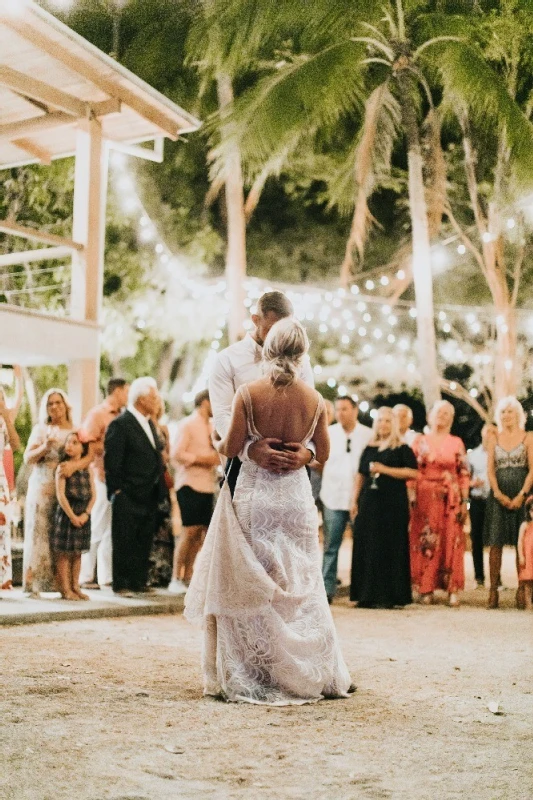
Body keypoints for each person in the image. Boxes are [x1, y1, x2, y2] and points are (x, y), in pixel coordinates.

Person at [185, 318, 353, 705]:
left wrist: (216, 434)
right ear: (302, 354)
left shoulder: (248, 393)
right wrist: (303, 454)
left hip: (256, 496)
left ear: (268, 350)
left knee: (254, 580)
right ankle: (305, 669)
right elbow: (323, 454)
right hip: (294, 499)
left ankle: (257, 669)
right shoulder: (314, 400)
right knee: (301, 581)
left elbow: (229, 447)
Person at [209, 290, 315, 496]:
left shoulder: (302, 363)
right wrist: (250, 450)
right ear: (256, 320)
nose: (279, 337)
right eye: (272, 329)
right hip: (245, 467)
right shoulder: (227, 359)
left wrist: (309, 453)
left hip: (293, 467)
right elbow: (222, 415)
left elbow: (311, 414)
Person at [350, 407, 418, 608]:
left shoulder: (402, 448)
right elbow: (361, 475)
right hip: (370, 502)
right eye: (380, 420)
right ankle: (366, 594)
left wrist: (384, 469)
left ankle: (391, 595)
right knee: (368, 544)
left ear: (394, 423)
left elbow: (413, 472)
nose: (383, 424)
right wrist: (353, 501)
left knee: (391, 546)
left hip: (393, 503)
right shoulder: (369, 447)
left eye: (388, 420)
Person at [104, 377, 165, 596]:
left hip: (149, 491)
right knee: (124, 538)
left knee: (143, 538)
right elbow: (112, 461)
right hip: (128, 492)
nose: (157, 401)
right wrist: (117, 489)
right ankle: (121, 583)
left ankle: (138, 580)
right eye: (154, 396)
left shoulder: (149, 423)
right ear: (140, 399)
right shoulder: (121, 424)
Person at [409, 400, 470, 607]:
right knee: (426, 541)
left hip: (450, 497)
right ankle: (426, 587)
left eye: (446, 414)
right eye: (438, 412)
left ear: (451, 419)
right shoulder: (420, 441)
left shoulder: (457, 442)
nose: (442, 416)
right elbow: (412, 470)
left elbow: (464, 473)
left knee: (452, 539)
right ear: (430, 416)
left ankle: (452, 588)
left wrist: (464, 500)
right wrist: (411, 495)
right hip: (425, 496)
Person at [320, 395, 372, 603]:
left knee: (362, 545)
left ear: (355, 410)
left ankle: (360, 589)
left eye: (345, 409)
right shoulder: (328, 433)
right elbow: (319, 460)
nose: (341, 413)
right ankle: (326, 590)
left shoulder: (368, 434)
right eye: (338, 409)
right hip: (332, 495)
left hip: (358, 498)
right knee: (331, 545)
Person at [78, 378, 129, 590]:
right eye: (126, 391)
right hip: (99, 476)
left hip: (116, 478)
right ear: (116, 391)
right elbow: (85, 442)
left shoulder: (123, 416)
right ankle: (85, 575)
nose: (128, 395)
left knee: (110, 528)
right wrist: (112, 447)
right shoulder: (98, 414)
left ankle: (106, 576)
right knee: (97, 525)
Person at [23, 389, 75, 596]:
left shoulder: (73, 429)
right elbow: (28, 458)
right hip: (42, 485)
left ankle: (62, 584)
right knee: (39, 533)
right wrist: (45, 447)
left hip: (65, 487)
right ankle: (34, 583)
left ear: (65, 406)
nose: (55, 407)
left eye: (58, 403)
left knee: (60, 535)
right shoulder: (41, 429)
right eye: (50, 404)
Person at [484, 397, 533, 609]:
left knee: (521, 543)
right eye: (503, 412)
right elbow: (490, 469)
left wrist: (522, 494)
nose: (506, 416)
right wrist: (497, 493)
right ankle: (493, 590)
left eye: (510, 412)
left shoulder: (529, 437)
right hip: (499, 494)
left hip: (522, 492)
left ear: (518, 415)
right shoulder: (494, 438)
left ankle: (522, 590)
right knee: (495, 542)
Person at [169, 390, 220, 594]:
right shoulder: (188, 424)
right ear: (205, 402)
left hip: (208, 484)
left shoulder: (213, 427)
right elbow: (176, 453)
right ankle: (175, 576)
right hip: (189, 483)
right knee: (189, 531)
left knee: (200, 534)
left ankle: (189, 575)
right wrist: (200, 459)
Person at [52, 431, 95, 600]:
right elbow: (61, 495)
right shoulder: (62, 468)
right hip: (67, 513)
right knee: (64, 553)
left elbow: (93, 494)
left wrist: (86, 513)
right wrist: (72, 516)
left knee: (77, 553)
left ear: (82, 448)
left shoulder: (87, 469)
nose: (69, 445)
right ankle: (65, 588)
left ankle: (75, 585)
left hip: (83, 513)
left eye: (75, 443)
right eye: (68, 442)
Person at [148, 396, 174, 588]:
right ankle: (148, 571)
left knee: (163, 524)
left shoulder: (163, 429)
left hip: (162, 478)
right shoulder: (142, 425)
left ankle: (162, 571)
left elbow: (168, 454)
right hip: (148, 476)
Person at [467, 424, 497, 588]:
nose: (491, 434)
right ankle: (479, 577)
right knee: (476, 538)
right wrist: (472, 483)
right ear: (482, 434)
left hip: (495, 500)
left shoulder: (501, 453)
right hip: (478, 500)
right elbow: (465, 478)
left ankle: (496, 578)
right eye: (488, 431)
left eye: (494, 431)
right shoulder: (473, 456)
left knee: (495, 539)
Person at [0, 387, 21, 590]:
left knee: (1, 530)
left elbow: (15, 445)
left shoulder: (3, 422)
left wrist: (6, 416)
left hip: (0, 484)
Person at [2, 365, 23, 494]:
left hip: (6, 455)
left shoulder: (8, 415)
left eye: (2, 399)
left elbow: (19, 397)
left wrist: (19, 378)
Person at [517, 497, 533, 610]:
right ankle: (528, 603)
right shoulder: (525, 525)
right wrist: (521, 556)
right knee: (528, 582)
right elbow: (520, 541)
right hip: (529, 557)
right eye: (532, 510)